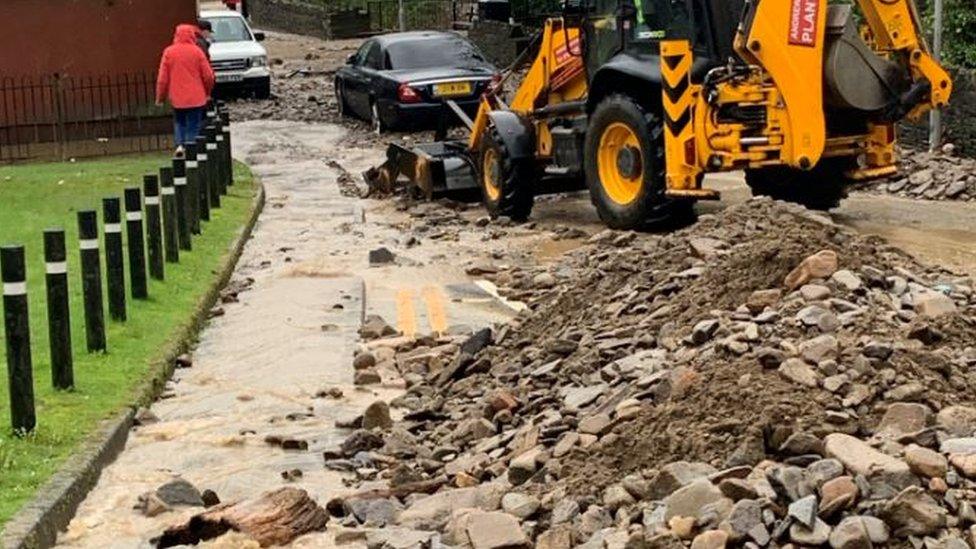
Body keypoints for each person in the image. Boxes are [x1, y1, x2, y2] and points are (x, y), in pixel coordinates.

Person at [156, 24, 215, 156]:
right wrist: (208, 92)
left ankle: (180, 145)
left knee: (179, 121)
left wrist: (160, 97)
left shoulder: (169, 52)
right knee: (194, 123)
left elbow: (162, 79)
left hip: (177, 97)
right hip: (197, 96)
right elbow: (208, 76)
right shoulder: (197, 51)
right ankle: (191, 147)